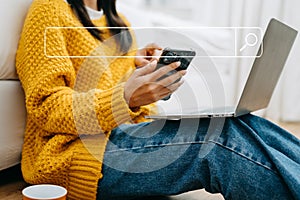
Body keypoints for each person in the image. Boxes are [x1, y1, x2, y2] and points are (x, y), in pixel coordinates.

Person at [16, 0, 300, 199]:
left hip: (120, 136)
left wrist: (144, 79)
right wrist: (124, 96)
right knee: (217, 140)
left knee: (245, 123)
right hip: (74, 154)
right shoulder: (50, 9)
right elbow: (47, 107)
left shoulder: (120, 24)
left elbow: (125, 103)